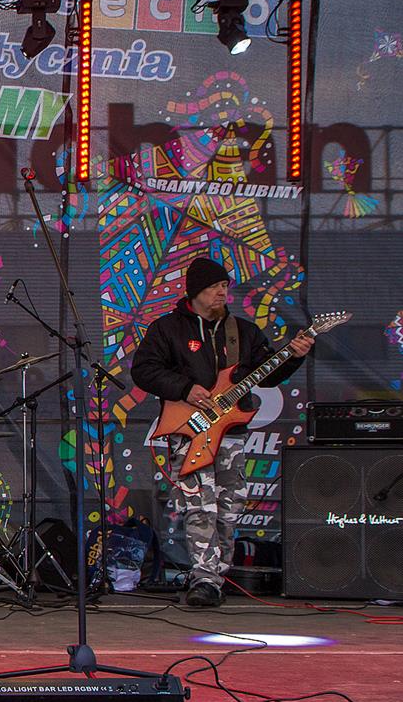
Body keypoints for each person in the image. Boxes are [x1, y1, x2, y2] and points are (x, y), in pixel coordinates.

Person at [131, 256, 314, 607]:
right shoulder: (167, 329)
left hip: (230, 433)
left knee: (229, 507)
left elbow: (268, 374)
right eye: (215, 286)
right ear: (196, 290)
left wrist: (294, 356)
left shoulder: (242, 331)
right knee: (199, 505)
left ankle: (216, 577)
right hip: (190, 430)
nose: (222, 292)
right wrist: (185, 388)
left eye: (225, 286)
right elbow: (143, 370)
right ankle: (204, 578)